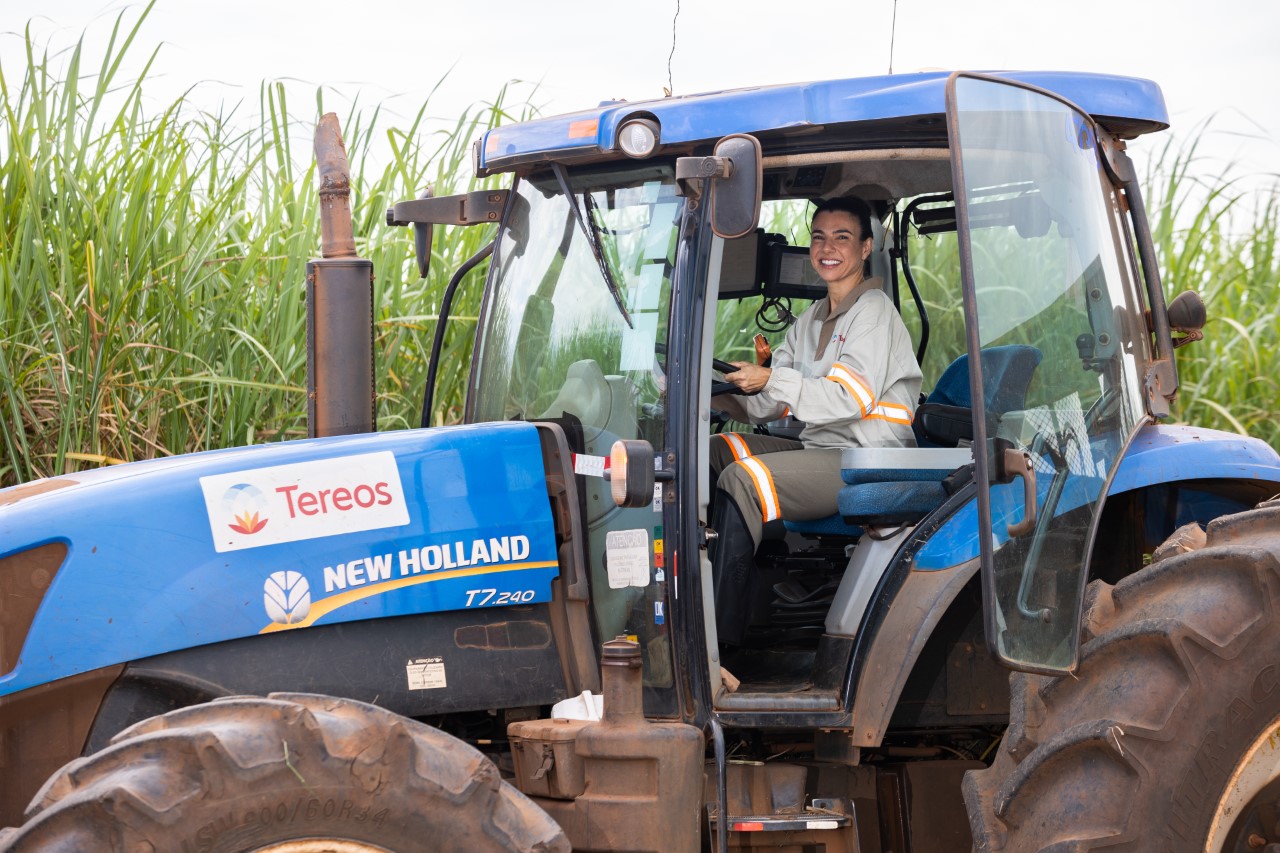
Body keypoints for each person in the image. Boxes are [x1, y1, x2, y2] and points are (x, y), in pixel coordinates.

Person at [708, 196, 922, 643]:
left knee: (743, 479)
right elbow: (770, 405)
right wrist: (723, 392)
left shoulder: (874, 313)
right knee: (715, 453)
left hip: (866, 457)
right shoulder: (808, 321)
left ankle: (720, 639)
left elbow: (848, 399)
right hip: (822, 448)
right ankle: (717, 592)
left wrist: (771, 378)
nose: (828, 248)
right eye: (819, 237)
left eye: (842, 237)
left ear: (865, 247)